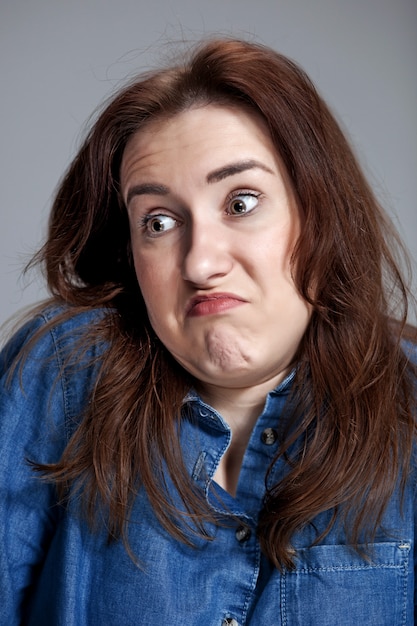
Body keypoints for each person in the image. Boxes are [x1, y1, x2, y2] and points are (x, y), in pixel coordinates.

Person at [0, 37, 416, 626]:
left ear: (320, 214)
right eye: (159, 222)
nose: (199, 263)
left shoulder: (410, 408)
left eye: (241, 202)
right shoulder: (62, 376)